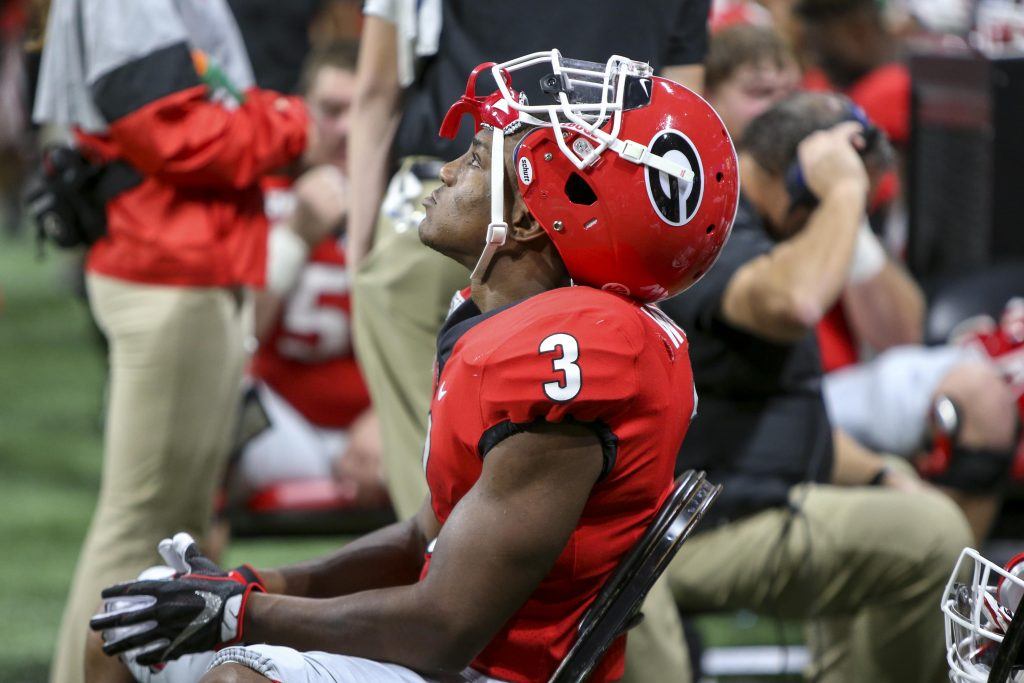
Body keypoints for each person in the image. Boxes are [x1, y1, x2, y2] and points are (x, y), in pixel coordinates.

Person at [85, 51, 740, 683]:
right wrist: (251, 585)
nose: (448, 171)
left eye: (479, 157)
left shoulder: (573, 354)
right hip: (452, 653)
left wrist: (243, 617)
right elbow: (420, 540)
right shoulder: (505, 326)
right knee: (126, 622)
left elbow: (445, 626)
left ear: (528, 215)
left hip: (496, 670)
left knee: (241, 676)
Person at [348, 4, 712, 678]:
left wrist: (359, 263)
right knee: (601, 545)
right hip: (599, 220)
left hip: (477, 211)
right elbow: (682, 123)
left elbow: (375, 89)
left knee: (448, 526)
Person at [32, 2, 311, 681]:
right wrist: (289, 121)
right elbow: (177, 134)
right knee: (137, 524)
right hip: (166, 264)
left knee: (172, 526)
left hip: (190, 259)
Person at [658, 92, 973, 682]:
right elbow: (796, 301)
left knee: (913, 509)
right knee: (935, 537)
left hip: (744, 503)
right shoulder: (707, 229)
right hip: (687, 531)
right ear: (803, 179)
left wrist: (883, 475)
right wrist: (845, 194)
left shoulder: (760, 232)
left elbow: (795, 424)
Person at [704, 20, 1020, 543]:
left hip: (829, 391)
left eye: (788, 94)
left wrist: (839, 208)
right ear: (709, 97)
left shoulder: (820, 183)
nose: (780, 112)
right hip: (742, 411)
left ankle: (954, 597)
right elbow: (795, 302)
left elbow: (901, 335)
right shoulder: (699, 204)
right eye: (759, 95)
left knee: (981, 393)